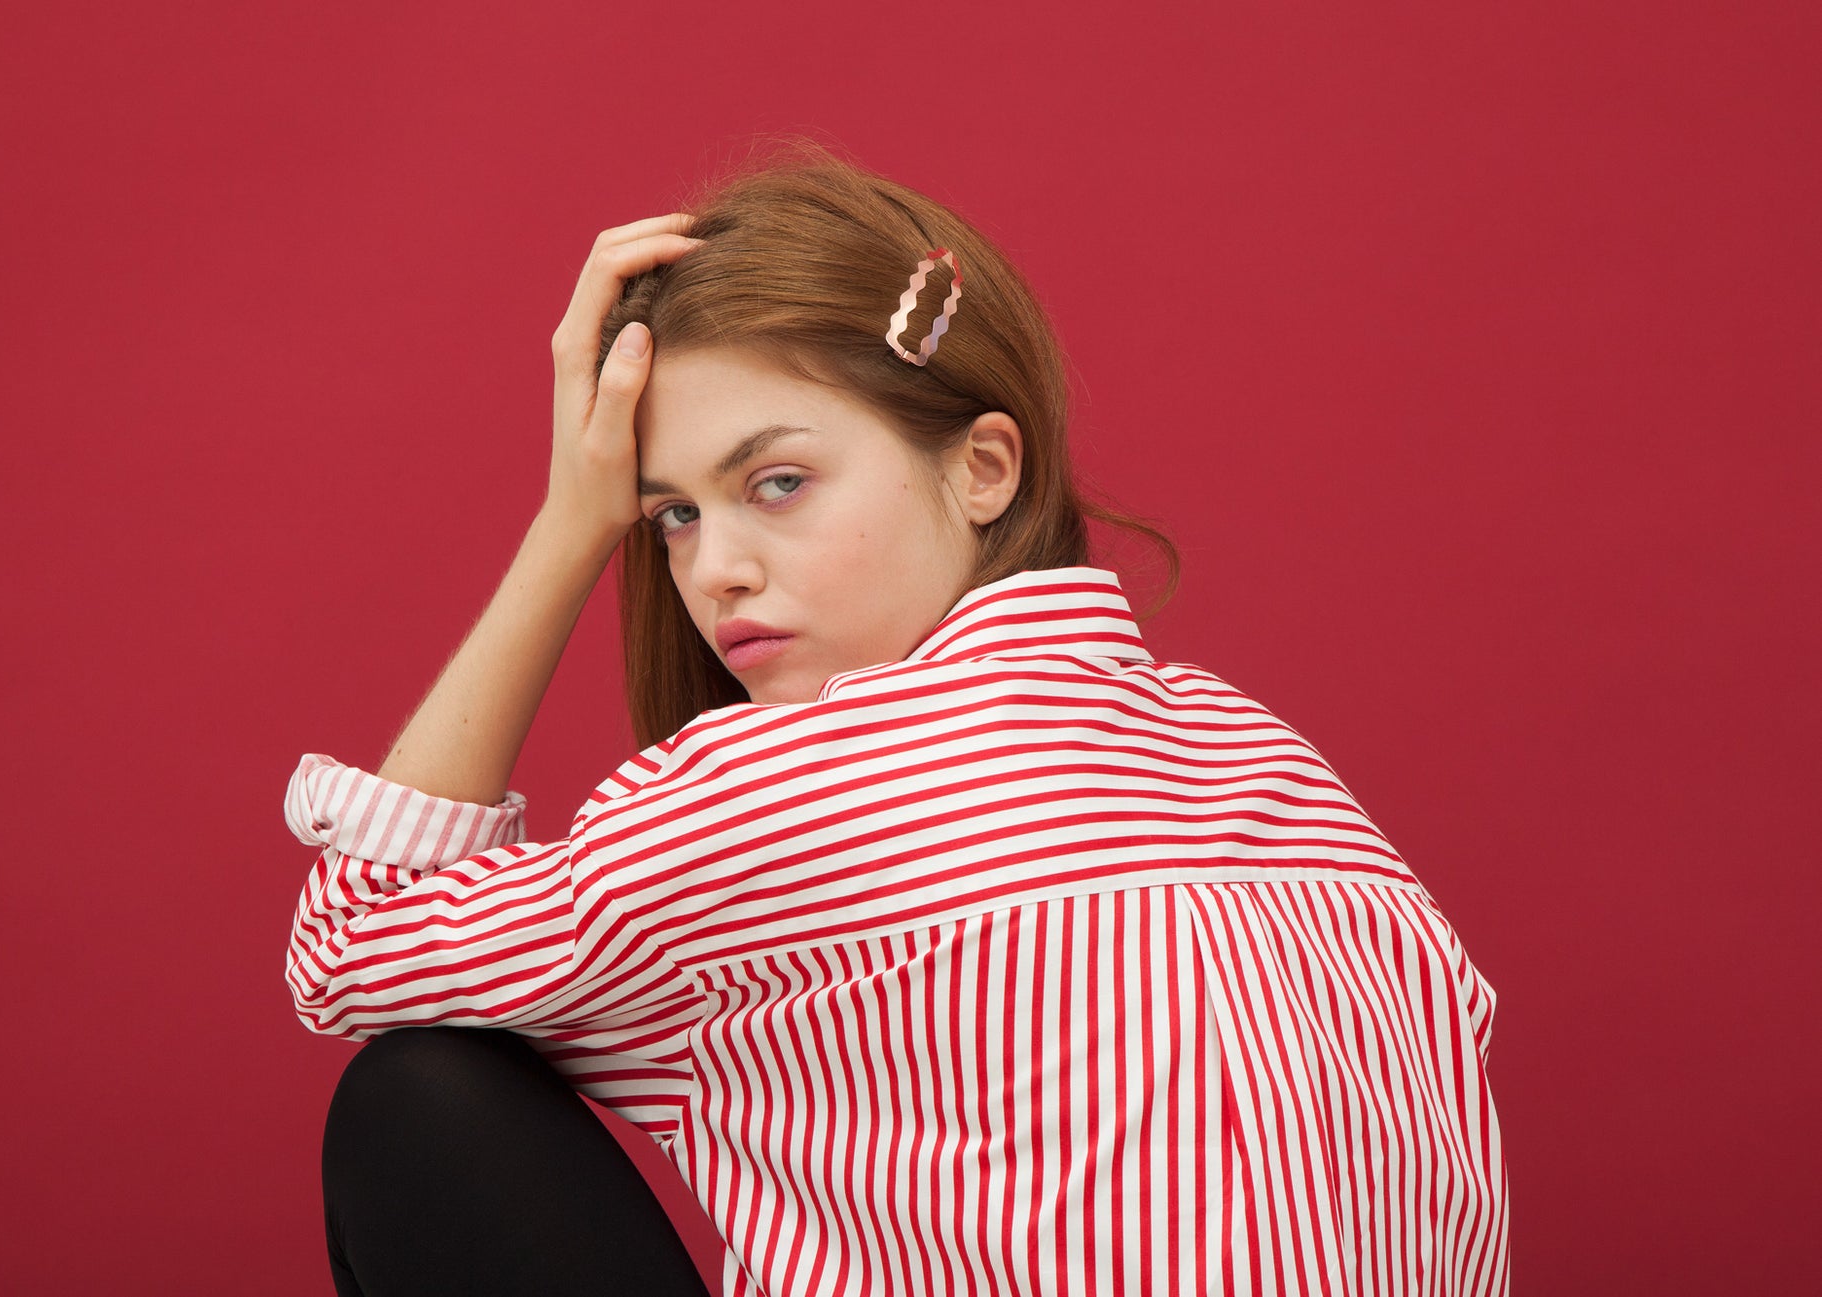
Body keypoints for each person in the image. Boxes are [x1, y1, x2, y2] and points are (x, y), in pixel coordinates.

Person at [285, 138, 1510, 1297]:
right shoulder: (1258, 753)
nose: (714, 572)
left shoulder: (784, 793)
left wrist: (569, 521)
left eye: (779, 484)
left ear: (984, 465)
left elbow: (350, 943)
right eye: (668, 517)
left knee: (416, 1094)